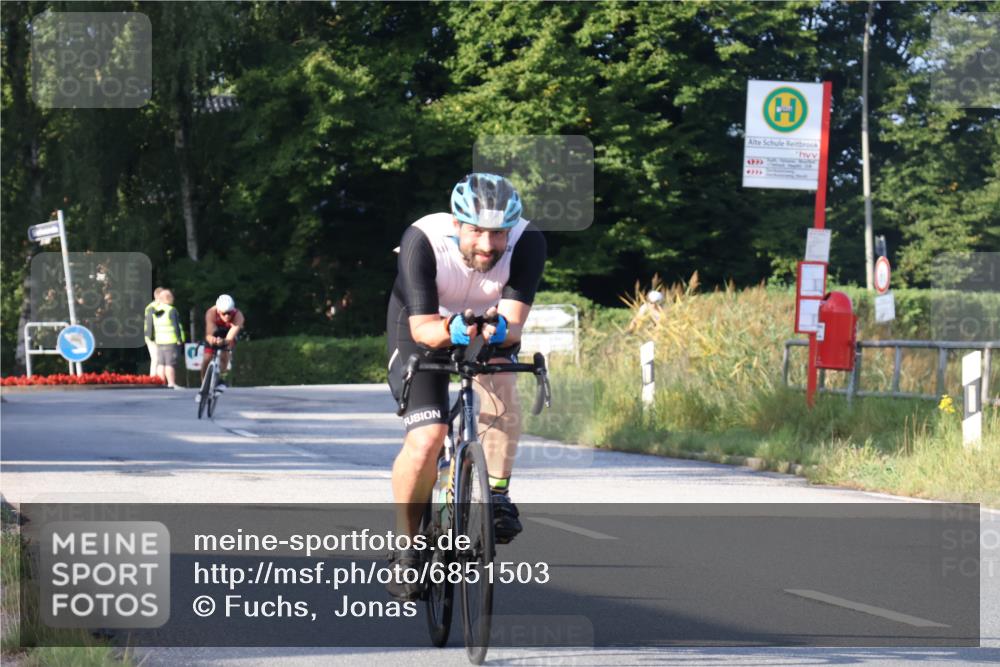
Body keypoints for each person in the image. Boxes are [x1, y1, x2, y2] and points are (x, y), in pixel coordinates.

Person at [385, 173, 546, 600]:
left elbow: (511, 327)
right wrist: (453, 327)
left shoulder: (529, 242)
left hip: (486, 326)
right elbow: (423, 330)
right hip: (422, 327)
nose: (487, 245)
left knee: (503, 381)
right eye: (476, 231)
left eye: (498, 234)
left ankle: (497, 495)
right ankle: (405, 547)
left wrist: (492, 332)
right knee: (427, 438)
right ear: (457, 224)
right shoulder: (423, 238)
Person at [200, 294, 244, 392]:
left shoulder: (238, 316)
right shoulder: (211, 312)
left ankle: (221, 378)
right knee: (207, 358)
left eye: (229, 313)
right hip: (215, 331)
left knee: (225, 354)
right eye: (224, 313)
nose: (227, 316)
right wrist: (213, 339)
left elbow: (230, 336)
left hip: (228, 332)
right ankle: (204, 384)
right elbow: (210, 332)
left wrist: (224, 341)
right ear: (218, 311)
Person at [144, 289, 185, 389]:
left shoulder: (155, 310)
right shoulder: (171, 310)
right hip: (170, 340)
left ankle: (161, 383)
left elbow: (151, 325)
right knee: (169, 363)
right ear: (169, 298)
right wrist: (179, 338)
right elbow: (175, 326)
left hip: (159, 340)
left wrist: (152, 337)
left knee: (161, 363)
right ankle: (171, 383)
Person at [143, 287, 165, 375]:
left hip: (157, 336)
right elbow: (149, 324)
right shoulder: (152, 307)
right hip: (152, 336)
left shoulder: (157, 306)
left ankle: (158, 379)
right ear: (158, 296)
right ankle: (153, 379)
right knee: (156, 358)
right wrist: (151, 337)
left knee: (159, 358)